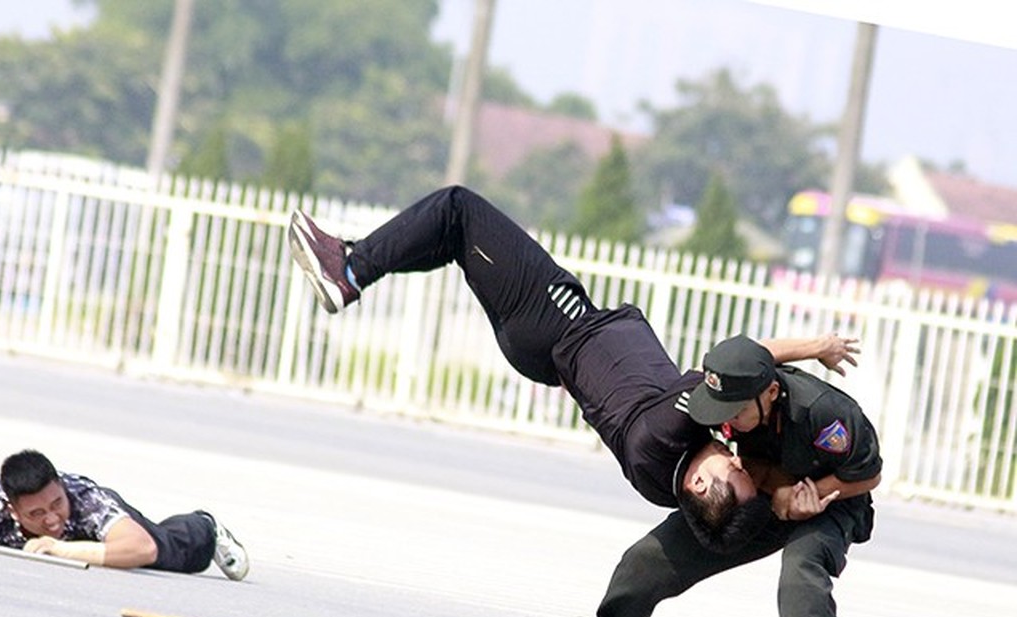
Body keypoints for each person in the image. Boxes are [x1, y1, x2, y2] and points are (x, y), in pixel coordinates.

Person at [287, 185, 856, 548]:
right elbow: (740, 471)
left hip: (556, 321)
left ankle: (351, 269)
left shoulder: (668, 434)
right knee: (456, 240)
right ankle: (357, 257)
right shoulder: (664, 483)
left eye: (733, 472)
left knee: (458, 210)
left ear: (701, 483)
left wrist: (818, 346)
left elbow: (738, 362)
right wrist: (784, 497)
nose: (738, 460)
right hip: (549, 346)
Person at [528, 334, 881, 617]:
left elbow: (868, 474)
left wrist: (810, 496)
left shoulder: (823, 412)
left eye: (734, 411)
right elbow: (752, 356)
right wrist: (815, 345)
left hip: (834, 498)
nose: (722, 419)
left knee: (802, 569)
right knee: (648, 558)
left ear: (769, 393)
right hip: (758, 489)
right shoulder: (732, 390)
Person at [0, 449, 249, 580]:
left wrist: (61, 550)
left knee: (165, 553)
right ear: (13, 509)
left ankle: (205, 525)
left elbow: (143, 549)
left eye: (56, 504)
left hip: (97, 531)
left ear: (61, 487)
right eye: (36, 513)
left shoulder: (87, 501)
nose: (51, 519)